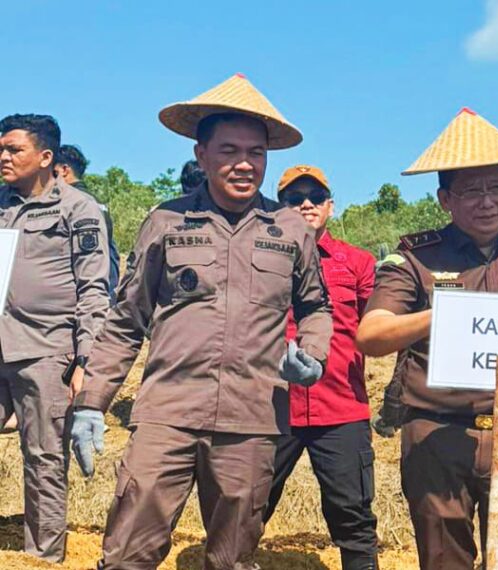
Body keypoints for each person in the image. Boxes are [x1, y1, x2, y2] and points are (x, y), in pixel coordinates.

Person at [70, 74, 333, 570]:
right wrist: (91, 404)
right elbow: (126, 320)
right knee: (128, 550)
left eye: (256, 152)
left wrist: (313, 357)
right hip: (167, 411)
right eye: (229, 150)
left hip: (251, 417)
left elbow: (315, 306)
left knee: (232, 557)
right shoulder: (166, 222)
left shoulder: (290, 228)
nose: (244, 164)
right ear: (202, 153)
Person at [355, 107, 498, 570]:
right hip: (438, 436)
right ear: (445, 200)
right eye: (472, 191)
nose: (487, 202)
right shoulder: (418, 258)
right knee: (443, 560)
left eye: (497, 188)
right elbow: (372, 335)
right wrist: (440, 317)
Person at [0, 113, 112, 563]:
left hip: (46, 351)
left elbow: (93, 289)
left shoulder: (78, 210)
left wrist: (87, 360)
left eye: (14, 150)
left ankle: (42, 556)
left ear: (46, 157)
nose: (4, 157)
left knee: (44, 457)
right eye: (1, 149)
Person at [261, 165, 379, 570]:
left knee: (354, 518)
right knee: (246, 510)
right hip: (271, 409)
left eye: (315, 196)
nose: (306, 204)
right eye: (295, 198)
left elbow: (376, 330)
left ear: (330, 205)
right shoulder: (258, 260)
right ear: (280, 208)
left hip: (341, 408)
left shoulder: (359, 263)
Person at [55, 143, 121, 302]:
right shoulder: (96, 202)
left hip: (78, 295)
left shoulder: (70, 203)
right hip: (105, 287)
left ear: (64, 170)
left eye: (51, 173)